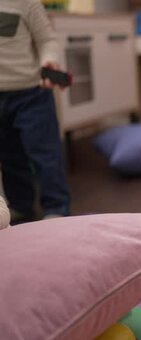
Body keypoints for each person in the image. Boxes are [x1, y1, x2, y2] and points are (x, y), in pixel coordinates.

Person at [0, 0, 71, 224]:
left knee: (45, 153)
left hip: (31, 93)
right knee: (10, 157)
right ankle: (21, 207)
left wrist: (49, 60)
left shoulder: (26, 3)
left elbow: (47, 40)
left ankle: (56, 208)